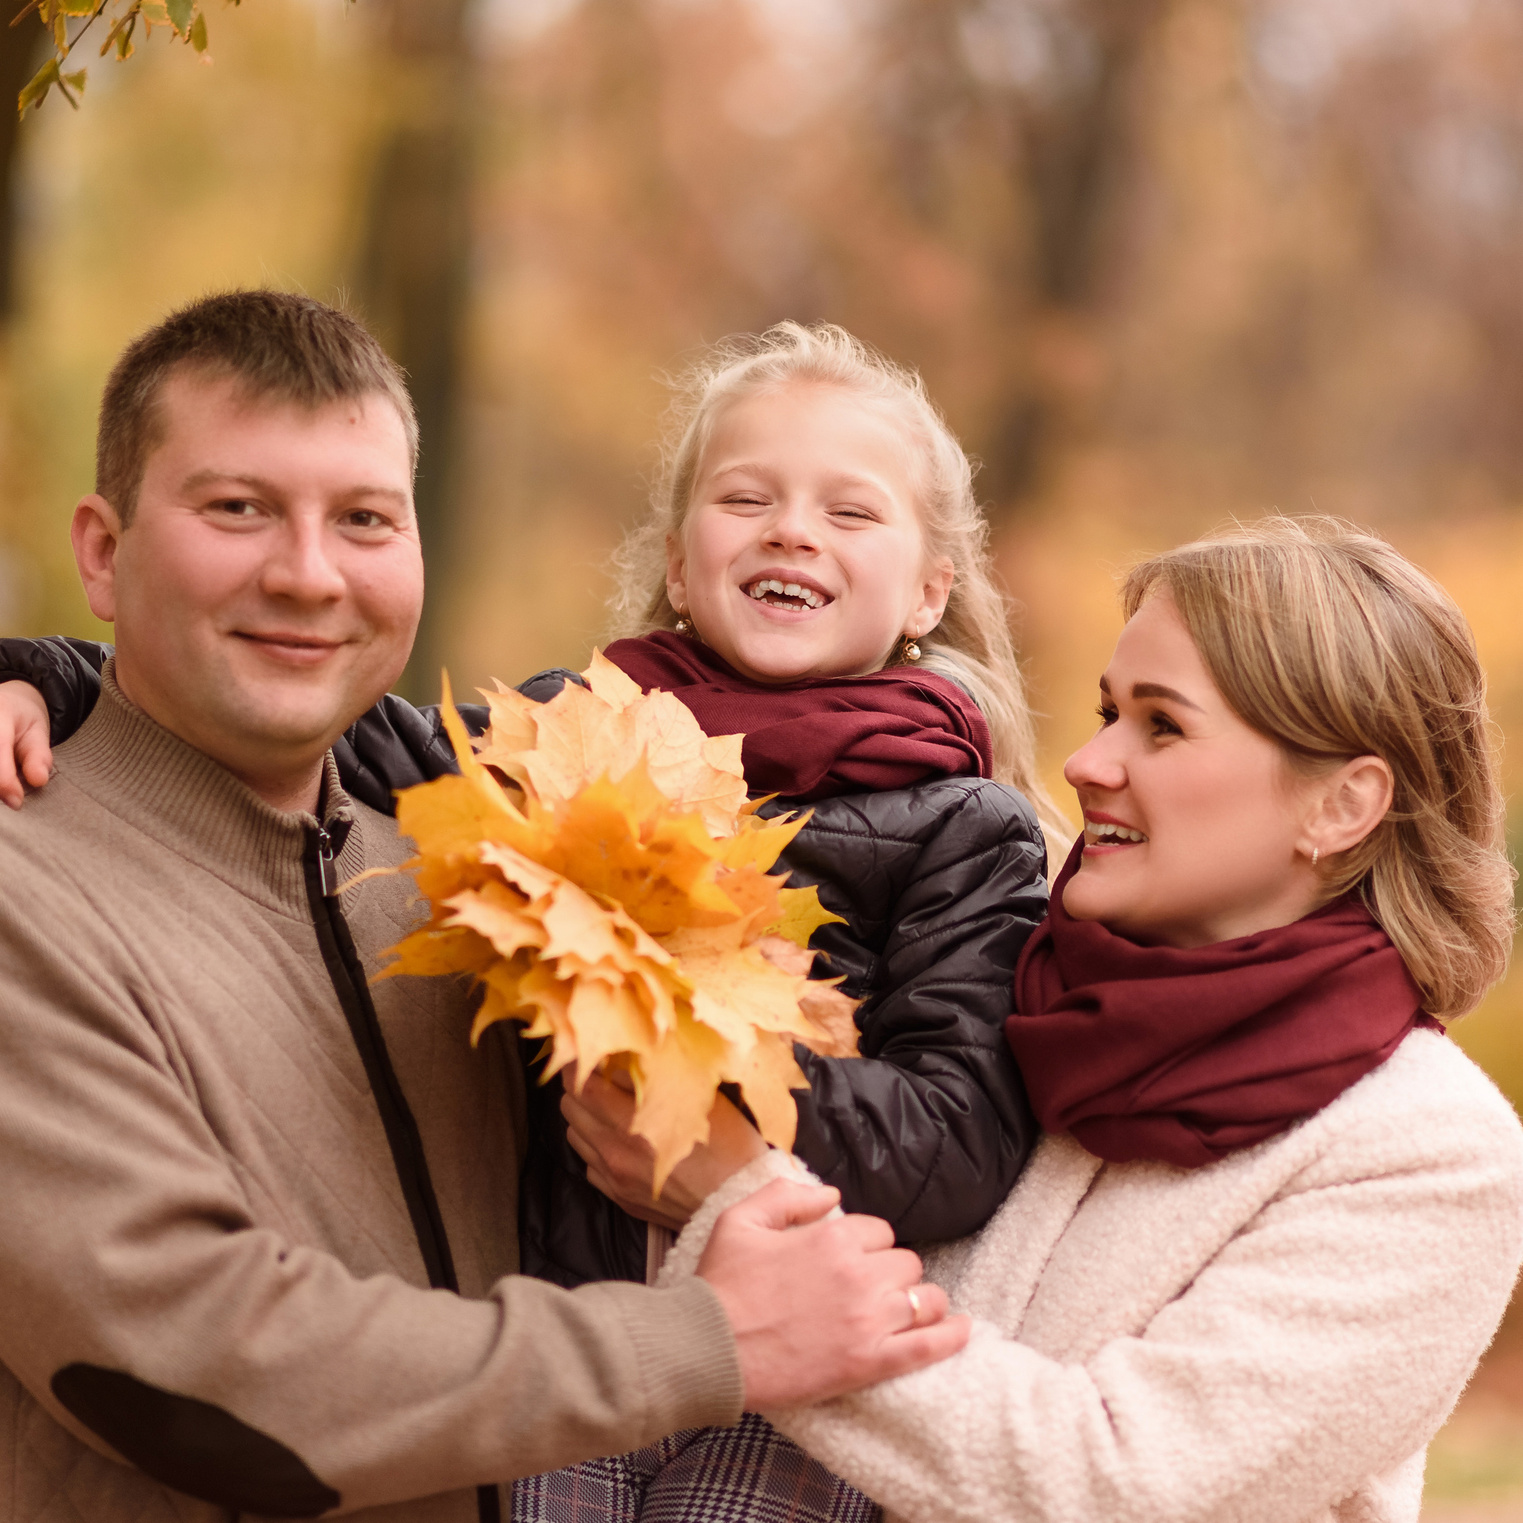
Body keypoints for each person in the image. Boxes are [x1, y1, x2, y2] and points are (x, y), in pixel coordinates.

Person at [1, 321, 1055, 1521]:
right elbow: (305, 707)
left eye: (361, 518)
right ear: (672, 556)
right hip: (577, 1320)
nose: (791, 531)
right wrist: (51, 671)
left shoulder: (964, 825)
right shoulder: (563, 749)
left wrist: (718, 1131)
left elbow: (962, 1126)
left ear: (933, 587)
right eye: (237, 507)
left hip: (790, 1348)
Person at [653, 517, 1523, 1523]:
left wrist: (735, 1206)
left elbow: (1116, 1477)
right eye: (1107, 710)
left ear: (1339, 804)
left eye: (1160, 725)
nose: (1085, 760)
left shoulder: (1428, 1151)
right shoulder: (1002, 1001)